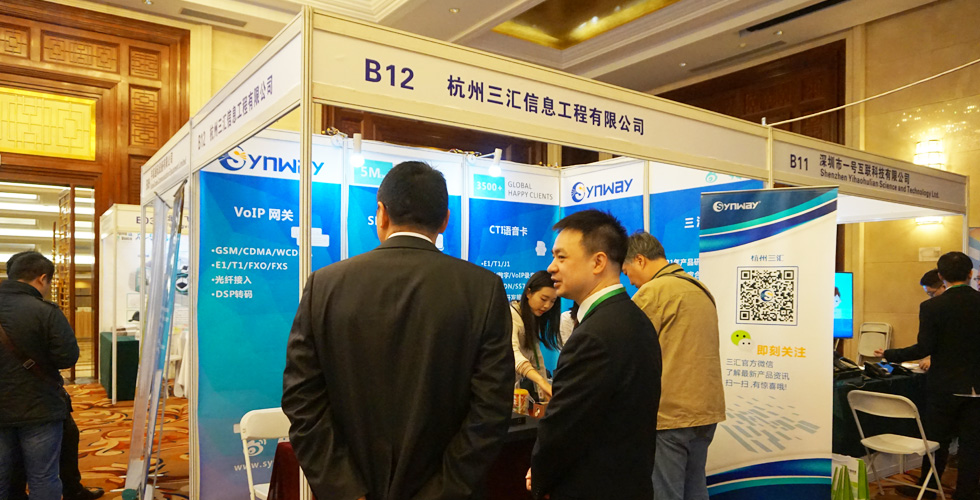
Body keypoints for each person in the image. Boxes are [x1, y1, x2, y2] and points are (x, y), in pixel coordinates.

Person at [282, 161, 514, 500]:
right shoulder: (483, 289)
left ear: (381, 213)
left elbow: (302, 400)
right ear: (446, 220)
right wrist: (442, 491)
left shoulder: (325, 285)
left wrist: (345, 489)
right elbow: (491, 409)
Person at [528, 209, 662, 500]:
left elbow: (564, 427)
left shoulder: (594, 335)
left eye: (561, 257)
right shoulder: (635, 318)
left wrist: (540, 477)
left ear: (598, 262)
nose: (551, 267)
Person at [622, 232, 725, 500]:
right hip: (707, 410)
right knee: (695, 488)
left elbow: (629, 352)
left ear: (640, 260)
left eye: (627, 271)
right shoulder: (700, 288)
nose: (629, 281)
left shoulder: (652, 292)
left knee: (665, 494)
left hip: (670, 413)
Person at [878, 252, 980, 500]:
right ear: (970, 274)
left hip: (943, 387)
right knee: (972, 447)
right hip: (977, 388)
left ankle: (928, 490)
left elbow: (924, 347)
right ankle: (965, 494)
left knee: (935, 442)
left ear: (941, 276)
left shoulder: (932, 307)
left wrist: (890, 354)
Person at [0, 251, 80, 500]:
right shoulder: (46, 311)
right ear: (42, 278)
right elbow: (67, 357)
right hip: (39, 406)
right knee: (43, 476)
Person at [511, 271, 561, 401]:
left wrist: (544, 394)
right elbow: (513, 355)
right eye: (543, 299)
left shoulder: (531, 319)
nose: (547, 306)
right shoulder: (511, 316)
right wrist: (541, 382)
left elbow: (537, 359)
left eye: (552, 301)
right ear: (528, 293)